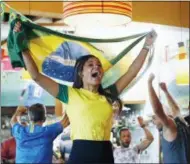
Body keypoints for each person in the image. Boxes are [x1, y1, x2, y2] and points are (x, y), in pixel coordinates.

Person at [13, 21, 157, 163]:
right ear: (81, 73)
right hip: (81, 154)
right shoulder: (69, 94)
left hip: (105, 154)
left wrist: (146, 45)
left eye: (99, 65)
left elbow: (132, 72)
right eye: (91, 65)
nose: (97, 67)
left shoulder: (108, 94)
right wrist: (23, 47)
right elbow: (36, 76)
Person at [148, 74, 190, 164]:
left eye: (154, 118)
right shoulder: (175, 126)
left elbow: (161, 110)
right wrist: (163, 90)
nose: (153, 121)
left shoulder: (174, 125)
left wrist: (151, 84)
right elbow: (163, 109)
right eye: (153, 118)